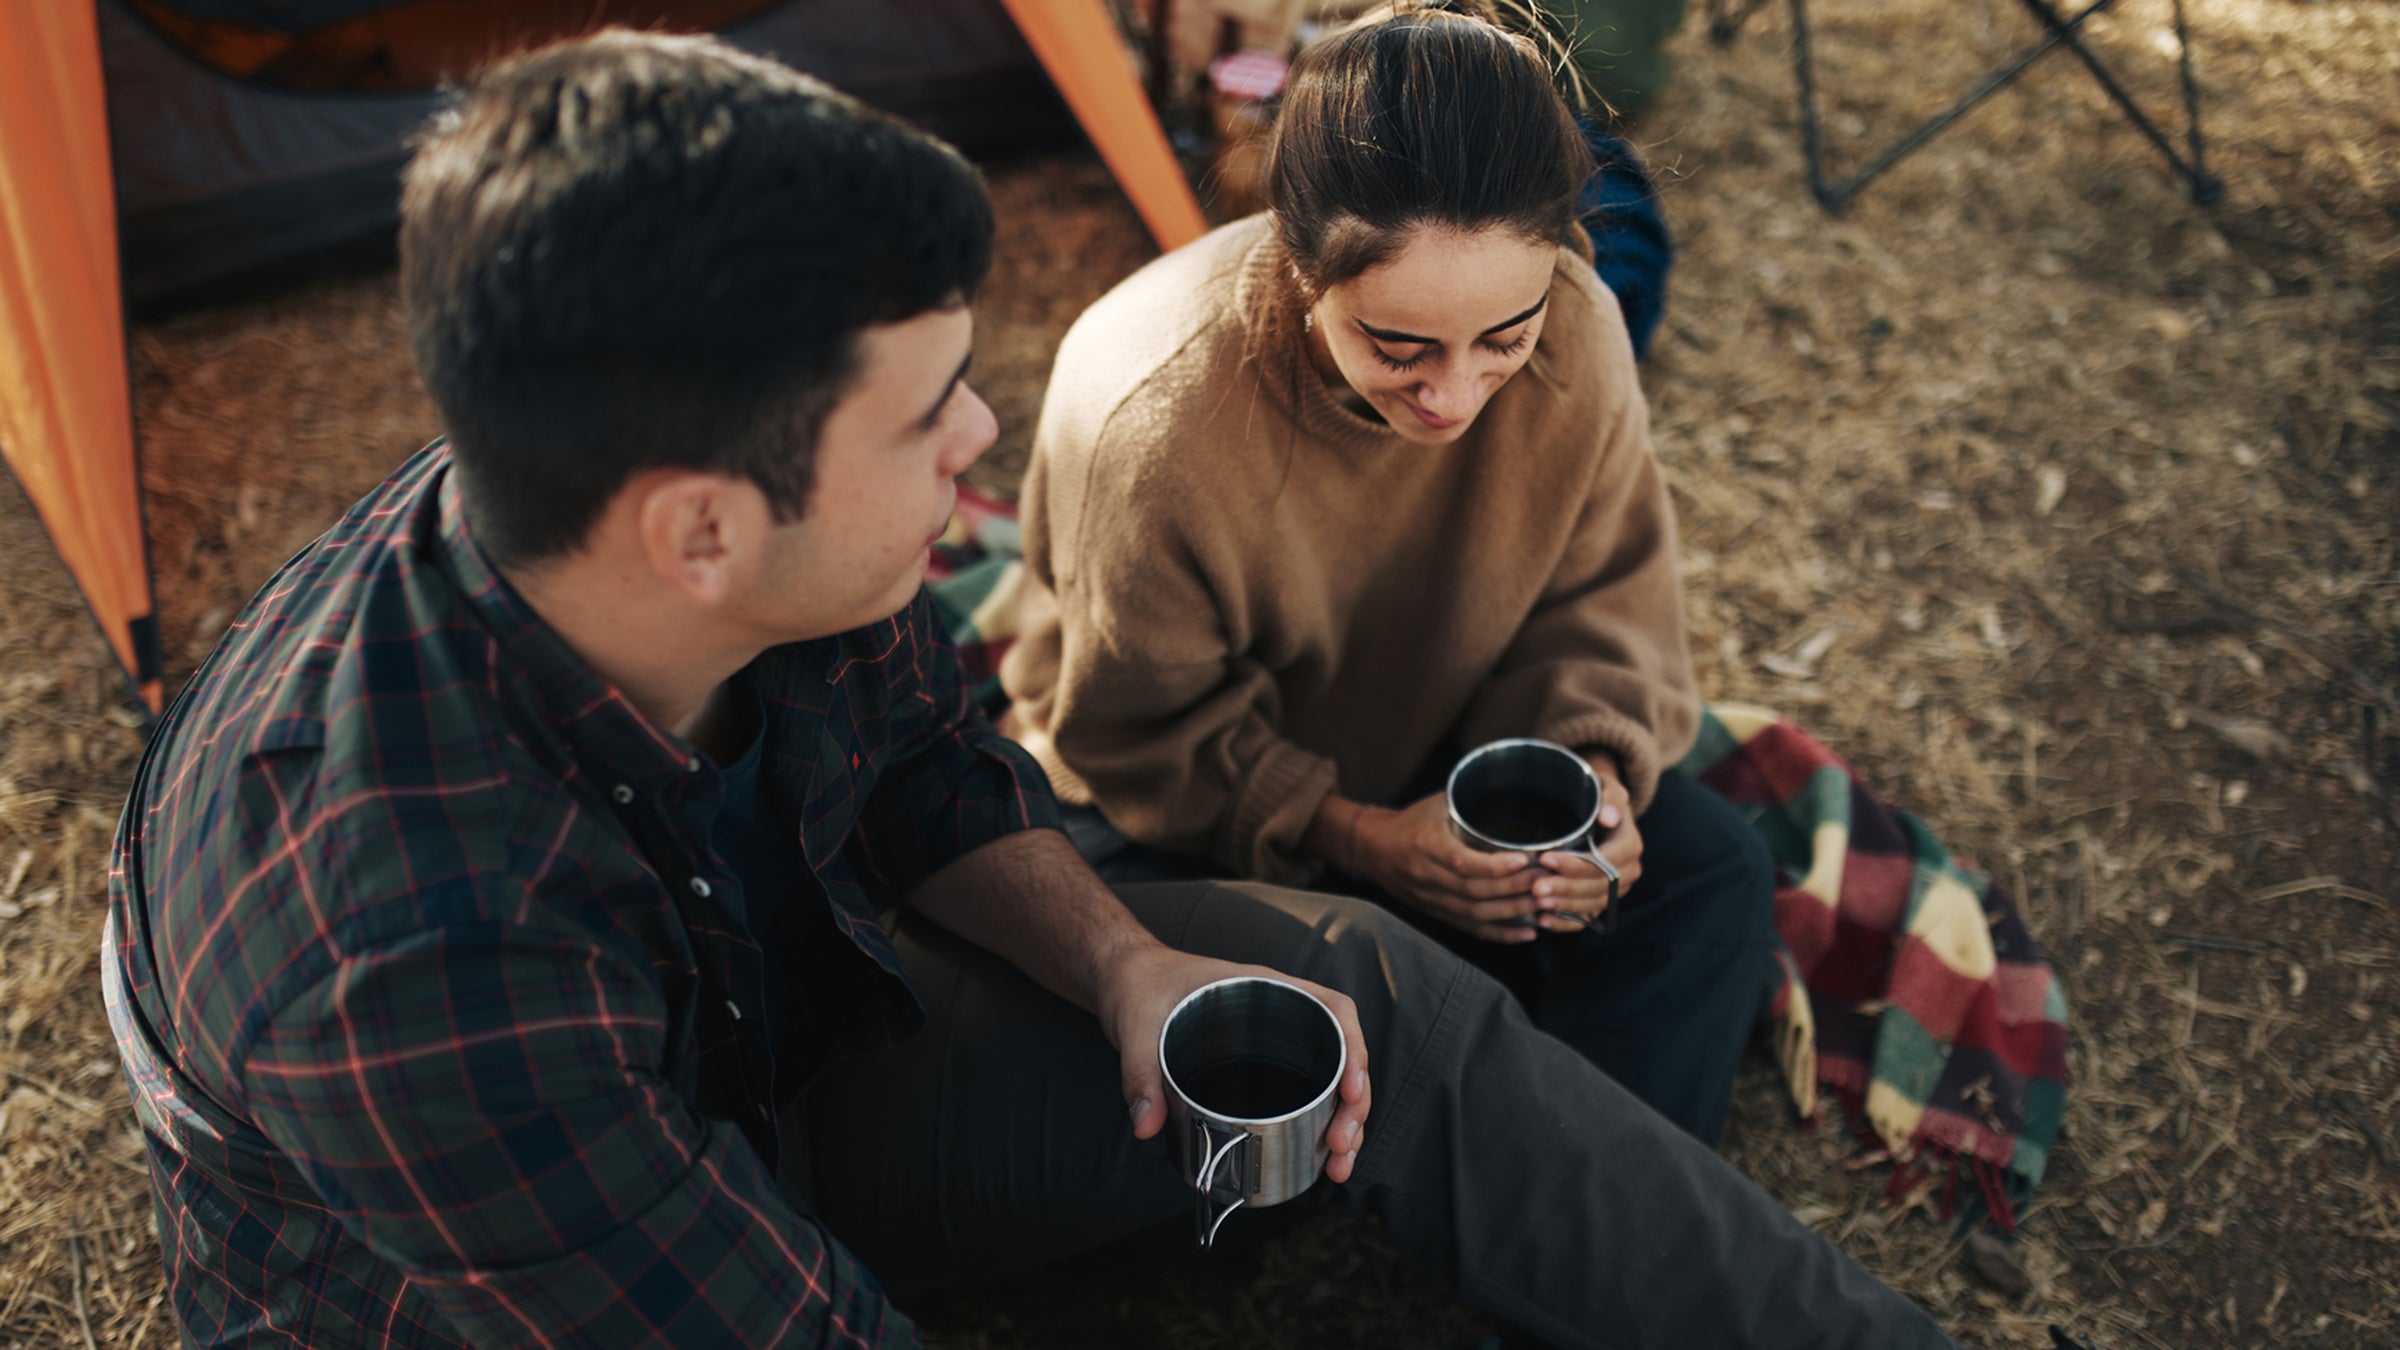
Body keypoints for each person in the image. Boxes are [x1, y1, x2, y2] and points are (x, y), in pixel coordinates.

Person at [102, 30, 1952, 1349]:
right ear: (700, 532)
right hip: (546, 1281)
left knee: (1365, 989)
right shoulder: (402, 952)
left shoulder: (731, 530)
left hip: (805, 1030)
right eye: (930, 421)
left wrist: (1121, 965)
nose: (987, 442)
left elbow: (928, 767)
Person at [1002, 0, 1775, 1148]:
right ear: (1300, 263)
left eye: (1501, 341)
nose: (1455, 399)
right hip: (1192, 816)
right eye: (1397, 348)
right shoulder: (1153, 418)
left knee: (1712, 880)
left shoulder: (1580, 325)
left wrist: (1592, 791)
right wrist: (1363, 839)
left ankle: (1585, 1246)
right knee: (1335, 1007)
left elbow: (1601, 600)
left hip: (1438, 756)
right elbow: (1135, 738)